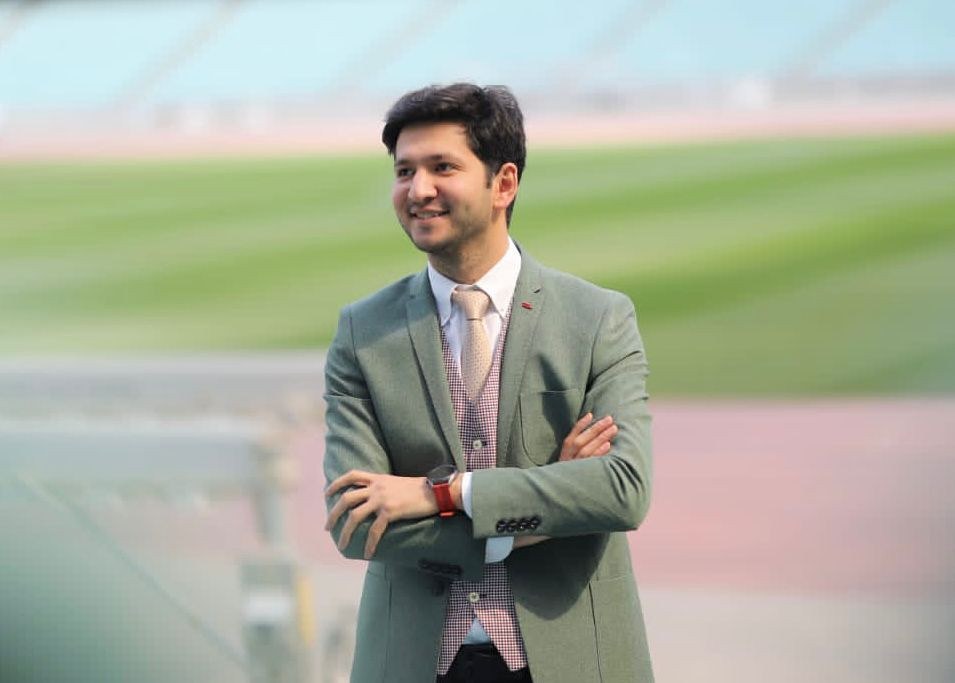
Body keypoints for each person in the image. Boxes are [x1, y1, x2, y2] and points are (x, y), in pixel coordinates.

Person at [323, 83, 653, 683]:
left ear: (504, 184)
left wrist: (441, 495)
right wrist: (550, 505)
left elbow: (622, 490)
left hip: (572, 661)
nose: (418, 189)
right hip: (413, 663)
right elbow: (356, 522)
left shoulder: (598, 319)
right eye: (404, 171)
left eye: (442, 167)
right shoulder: (361, 332)